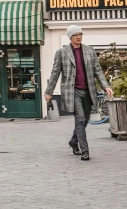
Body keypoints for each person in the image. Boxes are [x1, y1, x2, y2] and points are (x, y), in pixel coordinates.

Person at [45, 25, 113, 161]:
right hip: (73, 91)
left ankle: (73, 141)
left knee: (86, 119)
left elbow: (98, 70)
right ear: (70, 37)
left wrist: (106, 86)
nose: (78, 37)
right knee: (80, 119)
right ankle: (85, 150)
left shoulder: (90, 50)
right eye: (75, 35)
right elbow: (55, 73)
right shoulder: (62, 52)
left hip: (88, 91)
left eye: (80, 34)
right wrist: (49, 91)